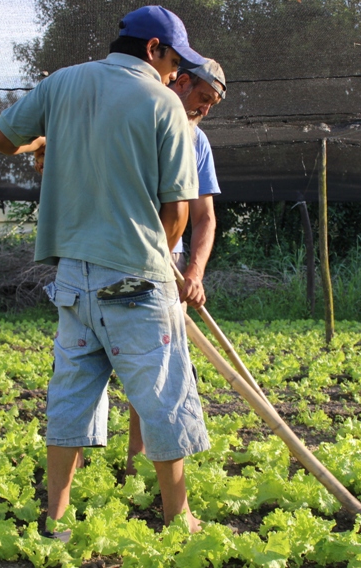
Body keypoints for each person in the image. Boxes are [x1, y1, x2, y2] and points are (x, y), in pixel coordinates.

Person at [0, 6, 209, 536]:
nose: (177, 75)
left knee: (71, 395)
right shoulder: (163, 104)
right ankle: (179, 518)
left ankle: (54, 518)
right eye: (175, 62)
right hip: (135, 277)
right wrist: (162, 262)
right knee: (164, 395)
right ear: (154, 49)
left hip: (73, 280)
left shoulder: (62, 83)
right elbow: (178, 213)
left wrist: (40, 142)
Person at [126, 58, 226, 476]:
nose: (205, 108)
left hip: (168, 263)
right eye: (203, 97)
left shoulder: (196, 141)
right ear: (181, 82)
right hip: (115, 254)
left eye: (212, 104)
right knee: (96, 366)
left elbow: (204, 217)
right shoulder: (135, 118)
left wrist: (195, 274)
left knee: (156, 366)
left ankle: (135, 464)